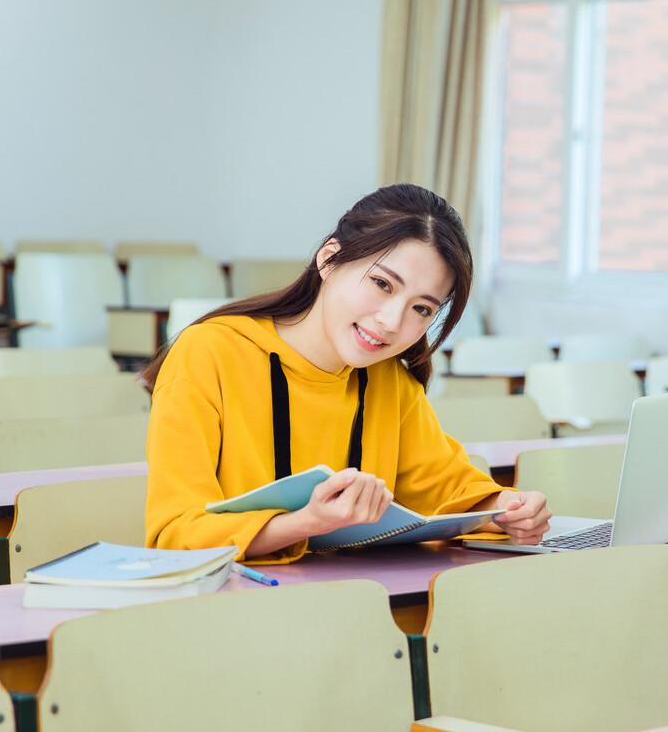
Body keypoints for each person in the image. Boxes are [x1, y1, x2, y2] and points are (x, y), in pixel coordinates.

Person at [142, 184, 551, 564]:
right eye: (381, 283)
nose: (392, 321)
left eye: (422, 309)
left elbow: (452, 490)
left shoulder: (389, 380)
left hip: (357, 606)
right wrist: (307, 522)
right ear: (329, 258)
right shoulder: (209, 353)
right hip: (236, 614)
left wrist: (509, 512)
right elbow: (174, 533)